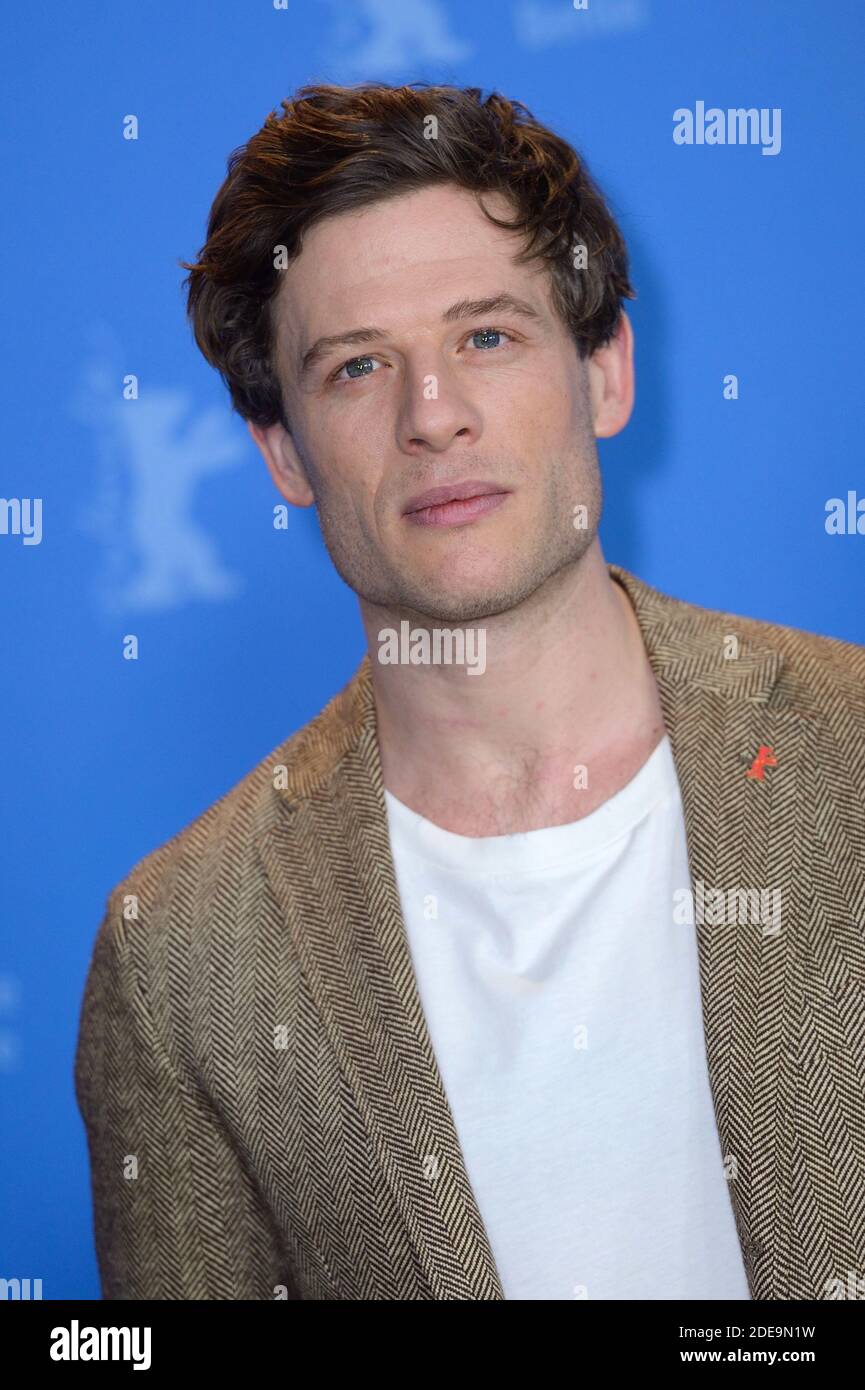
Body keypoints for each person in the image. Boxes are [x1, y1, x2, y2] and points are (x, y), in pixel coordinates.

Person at [75, 81, 865, 1301]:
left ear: (604, 372)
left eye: (485, 336)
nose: (431, 415)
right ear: (282, 450)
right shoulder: (180, 960)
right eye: (354, 368)